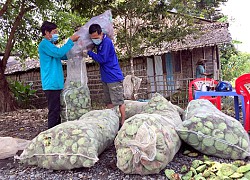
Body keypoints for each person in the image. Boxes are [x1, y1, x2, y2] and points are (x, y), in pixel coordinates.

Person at [39, 21, 80, 129]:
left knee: (57, 110)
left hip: (56, 83)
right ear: (47, 32)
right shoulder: (44, 44)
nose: (56, 34)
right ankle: (51, 134)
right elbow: (59, 53)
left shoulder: (51, 45)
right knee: (54, 111)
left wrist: (75, 53)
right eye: (54, 32)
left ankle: (56, 131)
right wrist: (70, 41)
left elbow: (62, 55)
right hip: (51, 83)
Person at [86, 23, 126, 125]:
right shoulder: (99, 44)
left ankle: (123, 122)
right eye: (92, 38)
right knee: (109, 102)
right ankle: (112, 122)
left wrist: (89, 52)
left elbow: (102, 59)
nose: (94, 39)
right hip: (106, 77)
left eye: (96, 37)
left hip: (113, 77)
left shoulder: (107, 42)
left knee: (119, 102)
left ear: (101, 34)